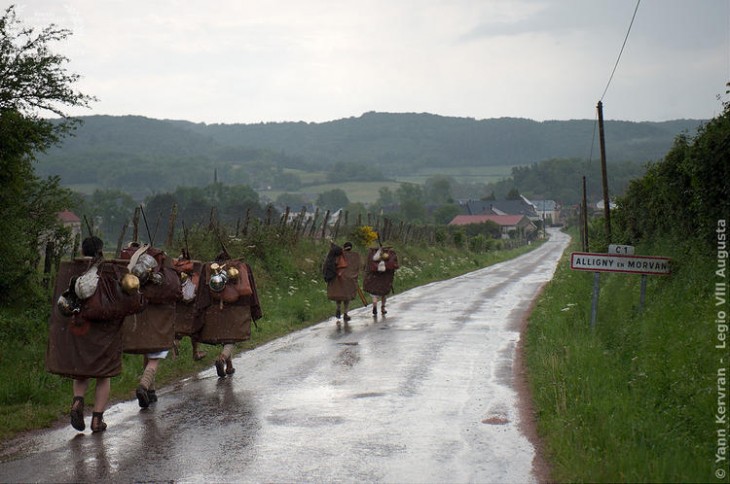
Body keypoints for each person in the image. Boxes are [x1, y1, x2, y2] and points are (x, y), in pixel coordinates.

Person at [46, 236, 127, 432]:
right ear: (100, 250)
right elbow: (119, 301)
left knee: (81, 370)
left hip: (79, 327)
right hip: (103, 332)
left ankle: (77, 402)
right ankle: (97, 420)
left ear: (83, 250)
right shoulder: (107, 271)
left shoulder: (72, 270)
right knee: (103, 375)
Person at [323, 241, 361, 321]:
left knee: (338, 294)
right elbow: (356, 269)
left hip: (337, 279)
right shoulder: (353, 257)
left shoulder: (335, 256)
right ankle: (346, 313)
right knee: (347, 297)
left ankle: (338, 308)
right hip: (348, 280)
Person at [363, 245, 399, 316]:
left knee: (374, 295)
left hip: (375, 278)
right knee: (384, 294)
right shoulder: (390, 256)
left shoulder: (372, 256)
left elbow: (368, 267)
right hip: (385, 278)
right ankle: (383, 308)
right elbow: (394, 266)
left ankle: (375, 306)